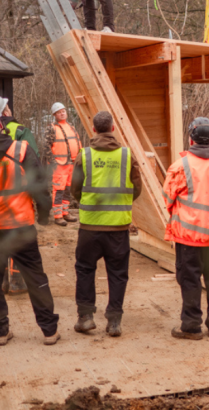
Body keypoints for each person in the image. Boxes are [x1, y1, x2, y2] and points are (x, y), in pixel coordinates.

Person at [0, 105, 60, 346]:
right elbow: (39, 185)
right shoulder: (21, 150)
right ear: (0, 123)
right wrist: (44, 214)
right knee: (36, 278)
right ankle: (49, 331)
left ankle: (0, 333)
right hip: (21, 226)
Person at [162, 117, 209, 340]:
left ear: (191, 137)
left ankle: (191, 326)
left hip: (190, 237)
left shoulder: (180, 166)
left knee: (189, 280)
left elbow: (167, 198)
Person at [71, 111, 142, 337]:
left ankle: (85, 318)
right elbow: (137, 188)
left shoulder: (84, 155)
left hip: (89, 227)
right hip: (118, 229)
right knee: (118, 273)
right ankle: (114, 322)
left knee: (84, 270)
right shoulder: (126, 155)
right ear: (113, 129)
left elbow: (75, 189)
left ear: (94, 129)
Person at [0, 95, 40, 295]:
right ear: (5, 112)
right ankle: (17, 281)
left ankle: (0, 283)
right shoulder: (22, 132)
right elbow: (34, 164)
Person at [43, 102, 81, 226]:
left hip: (71, 164)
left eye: (63, 111)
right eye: (59, 112)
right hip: (59, 165)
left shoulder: (71, 127)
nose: (62, 113)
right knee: (58, 190)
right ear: (55, 115)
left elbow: (77, 143)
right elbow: (46, 146)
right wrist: (52, 161)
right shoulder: (51, 127)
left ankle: (65, 212)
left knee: (67, 190)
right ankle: (58, 216)